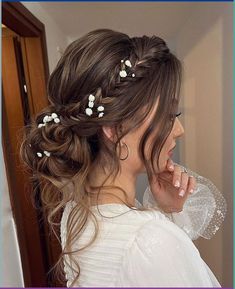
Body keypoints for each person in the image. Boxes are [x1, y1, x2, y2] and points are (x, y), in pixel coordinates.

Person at [20, 29, 227, 287]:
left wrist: (166, 213)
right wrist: (163, 231)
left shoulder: (76, 213)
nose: (180, 130)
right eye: (170, 114)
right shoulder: (147, 240)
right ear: (115, 127)